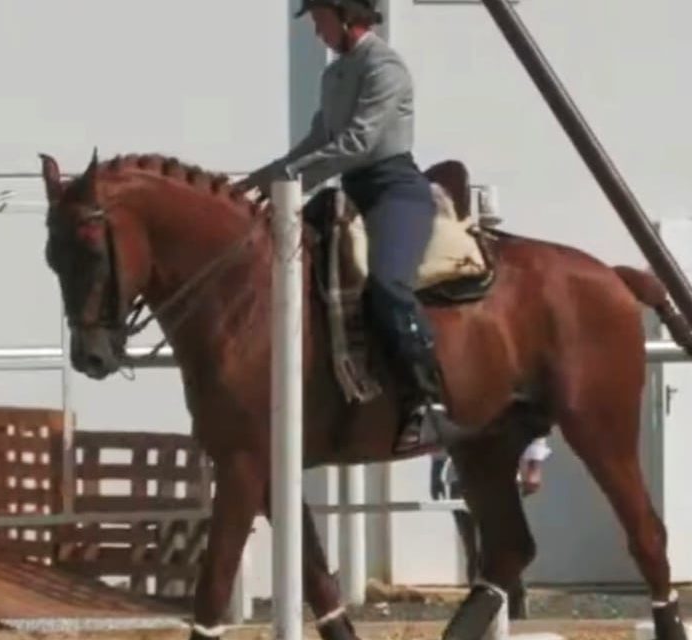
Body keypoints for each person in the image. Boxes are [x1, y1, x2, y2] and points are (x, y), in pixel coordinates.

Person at [237, 0, 463, 454]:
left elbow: (358, 142)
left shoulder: (386, 67)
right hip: (352, 190)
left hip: (394, 189)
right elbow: (316, 140)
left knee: (387, 283)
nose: (318, 32)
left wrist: (290, 180)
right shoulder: (334, 75)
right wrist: (252, 184)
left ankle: (430, 403)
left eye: (320, 20)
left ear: (346, 14)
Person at [430, 436, 553, 619]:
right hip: (461, 474)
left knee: (506, 546)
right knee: (475, 551)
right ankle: (481, 620)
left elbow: (532, 416)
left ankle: (515, 615)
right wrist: (437, 467)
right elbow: (443, 422)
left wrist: (534, 464)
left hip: (503, 474)